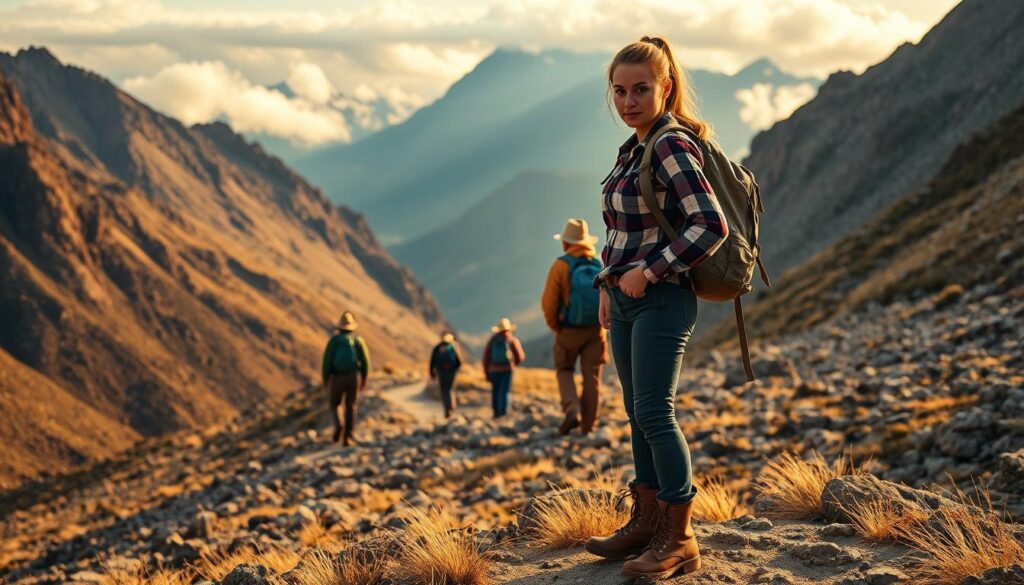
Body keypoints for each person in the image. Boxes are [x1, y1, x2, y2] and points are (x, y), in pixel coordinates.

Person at [583, 36, 728, 580]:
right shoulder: (634, 146)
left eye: (641, 89)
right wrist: (607, 282)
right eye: (619, 91)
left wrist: (652, 270)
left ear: (666, 88)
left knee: (654, 413)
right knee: (636, 414)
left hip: (662, 300)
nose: (628, 101)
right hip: (623, 300)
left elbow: (710, 225)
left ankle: (679, 538)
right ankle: (645, 523)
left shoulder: (670, 144)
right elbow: (622, 229)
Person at [541, 218, 609, 435]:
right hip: (596, 331)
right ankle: (588, 428)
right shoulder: (598, 263)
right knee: (592, 376)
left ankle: (572, 411)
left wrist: (557, 327)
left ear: (566, 243)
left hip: (569, 329)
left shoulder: (561, 265)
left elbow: (548, 303)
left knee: (564, 369)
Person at [321, 311, 370, 446]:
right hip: (353, 377)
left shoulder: (334, 341)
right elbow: (365, 360)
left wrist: (326, 380)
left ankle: (339, 424)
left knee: (335, 403)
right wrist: (364, 377)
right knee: (351, 405)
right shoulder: (357, 340)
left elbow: (327, 362)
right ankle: (348, 436)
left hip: (337, 377)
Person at [481, 317, 525, 418]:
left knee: (495, 391)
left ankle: (496, 413)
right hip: (507, 370)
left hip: (494, 370)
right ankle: (503, 413)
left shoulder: (492, 340)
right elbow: (520, 356)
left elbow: (486, 358)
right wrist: (513, 364)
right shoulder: (511, 339)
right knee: (504, 392)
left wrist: (487, 373)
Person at [429, 331, 464, 418]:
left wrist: (432, 373)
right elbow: (459, 362)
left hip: (441, 372)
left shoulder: (437, 348)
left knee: (444, 391)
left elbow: (432, 361)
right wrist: (456, 370)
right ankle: (452, 408)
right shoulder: (453, 347)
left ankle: (447, 410)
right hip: (452, 372)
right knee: (450, 389)